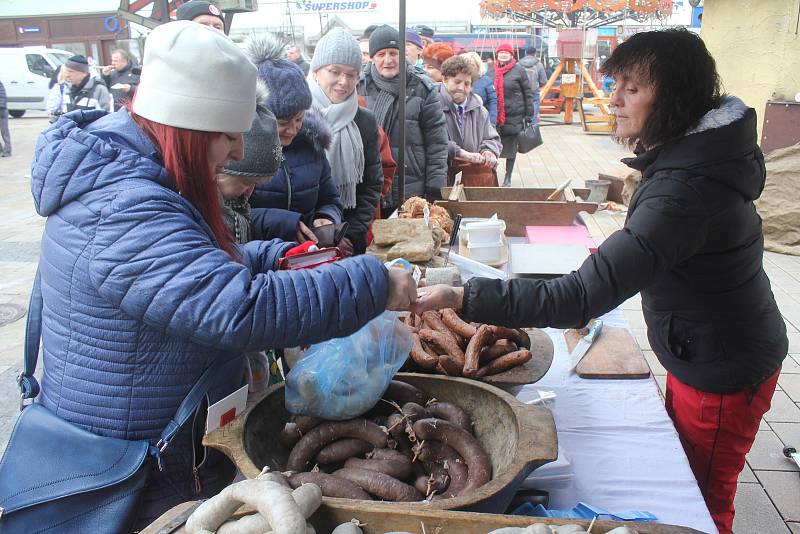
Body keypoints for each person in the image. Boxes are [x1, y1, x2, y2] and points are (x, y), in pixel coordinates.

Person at [31, 20, 417, 528]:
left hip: (156, 442)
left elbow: (200, 267)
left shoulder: (137, 174)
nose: (238, 150)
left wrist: (275, 257)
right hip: (126, 467)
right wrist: (375, 284)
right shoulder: (121, 206)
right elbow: (236, 307)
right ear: (189, 129)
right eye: (230, 134)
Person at [416, 28, 787, 534]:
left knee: (702, 495)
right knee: (686, 459)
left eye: (631, 89)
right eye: (616, 85)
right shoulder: (694, 155)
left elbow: (578, 296)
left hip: (724, 366)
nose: (613, 100)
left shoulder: (686, 190)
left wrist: (463, 294)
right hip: (700, 346)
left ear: (674, 96)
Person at [245, 34, 343, 243]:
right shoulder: (239, 151)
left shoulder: (311, 144)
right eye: (282, 123)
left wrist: (326, 217)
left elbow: (330, 198)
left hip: (307, 253)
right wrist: (286, 223)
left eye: (298, 119)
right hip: (261, 255)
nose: (293, 129)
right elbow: (230, 216)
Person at [309, 28, 384, 256]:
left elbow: (371, 184)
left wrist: (350, 235)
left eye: (351, 74)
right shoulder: (297, 116)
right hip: (305, 240)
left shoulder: (364, 120)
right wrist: (323, 237)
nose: (344, 81)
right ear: (316, 72)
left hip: (352, 240)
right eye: (335, 71)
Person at [358, 25, 448, 213]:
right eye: (381, 54)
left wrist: (435, 185)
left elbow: (437, 142)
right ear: (372, 57)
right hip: (370, 189)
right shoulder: (359, 86)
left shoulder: (421, 88)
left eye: (393, 53)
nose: (388, 60)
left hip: (411, 188)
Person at [437, 56, 501, 186]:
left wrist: (488, 151)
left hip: (472, 178)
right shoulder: (433, 106)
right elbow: (435, 142)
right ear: (444, 80)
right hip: (442, 177)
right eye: (457, 82)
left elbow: (492, 138)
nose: (461, 87)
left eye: (467, 84)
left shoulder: (479, 110)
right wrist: (462, 154)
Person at [489, 43, 532, 187]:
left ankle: (508, 177)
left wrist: (528, 114)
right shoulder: (491, 70)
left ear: (511, 54)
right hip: (495, 117)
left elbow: (528, 93)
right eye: (500, 52)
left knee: (510, 149)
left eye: (506, 52)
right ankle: (492, 175)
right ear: (497, 54)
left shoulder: (519, 70)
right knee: (492, 147)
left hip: (513, 115)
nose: (503, 55)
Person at [461, 51, 498, 125]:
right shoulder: (459, 80)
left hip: (482, 121)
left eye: (472, 65)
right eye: (466, 64)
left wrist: (492, 122)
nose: (469, 67)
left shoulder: (486, 80)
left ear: (478, 66)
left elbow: (492, 101)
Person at [518, 46, 547, 124]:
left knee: (521, 108)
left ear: (525, 52)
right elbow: (544, 80)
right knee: (534, 109)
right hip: (534, 91)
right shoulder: (539, 64)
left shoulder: (518, 64)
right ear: (535, 53)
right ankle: (532, 128)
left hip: (521, 90)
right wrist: (539, 85)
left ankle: (522, 126)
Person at [0, 80, 10, 157]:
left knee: (5, 132)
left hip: (2, 109)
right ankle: (7, 150)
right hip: (3, 108)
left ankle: (6, 150)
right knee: (5, 132)